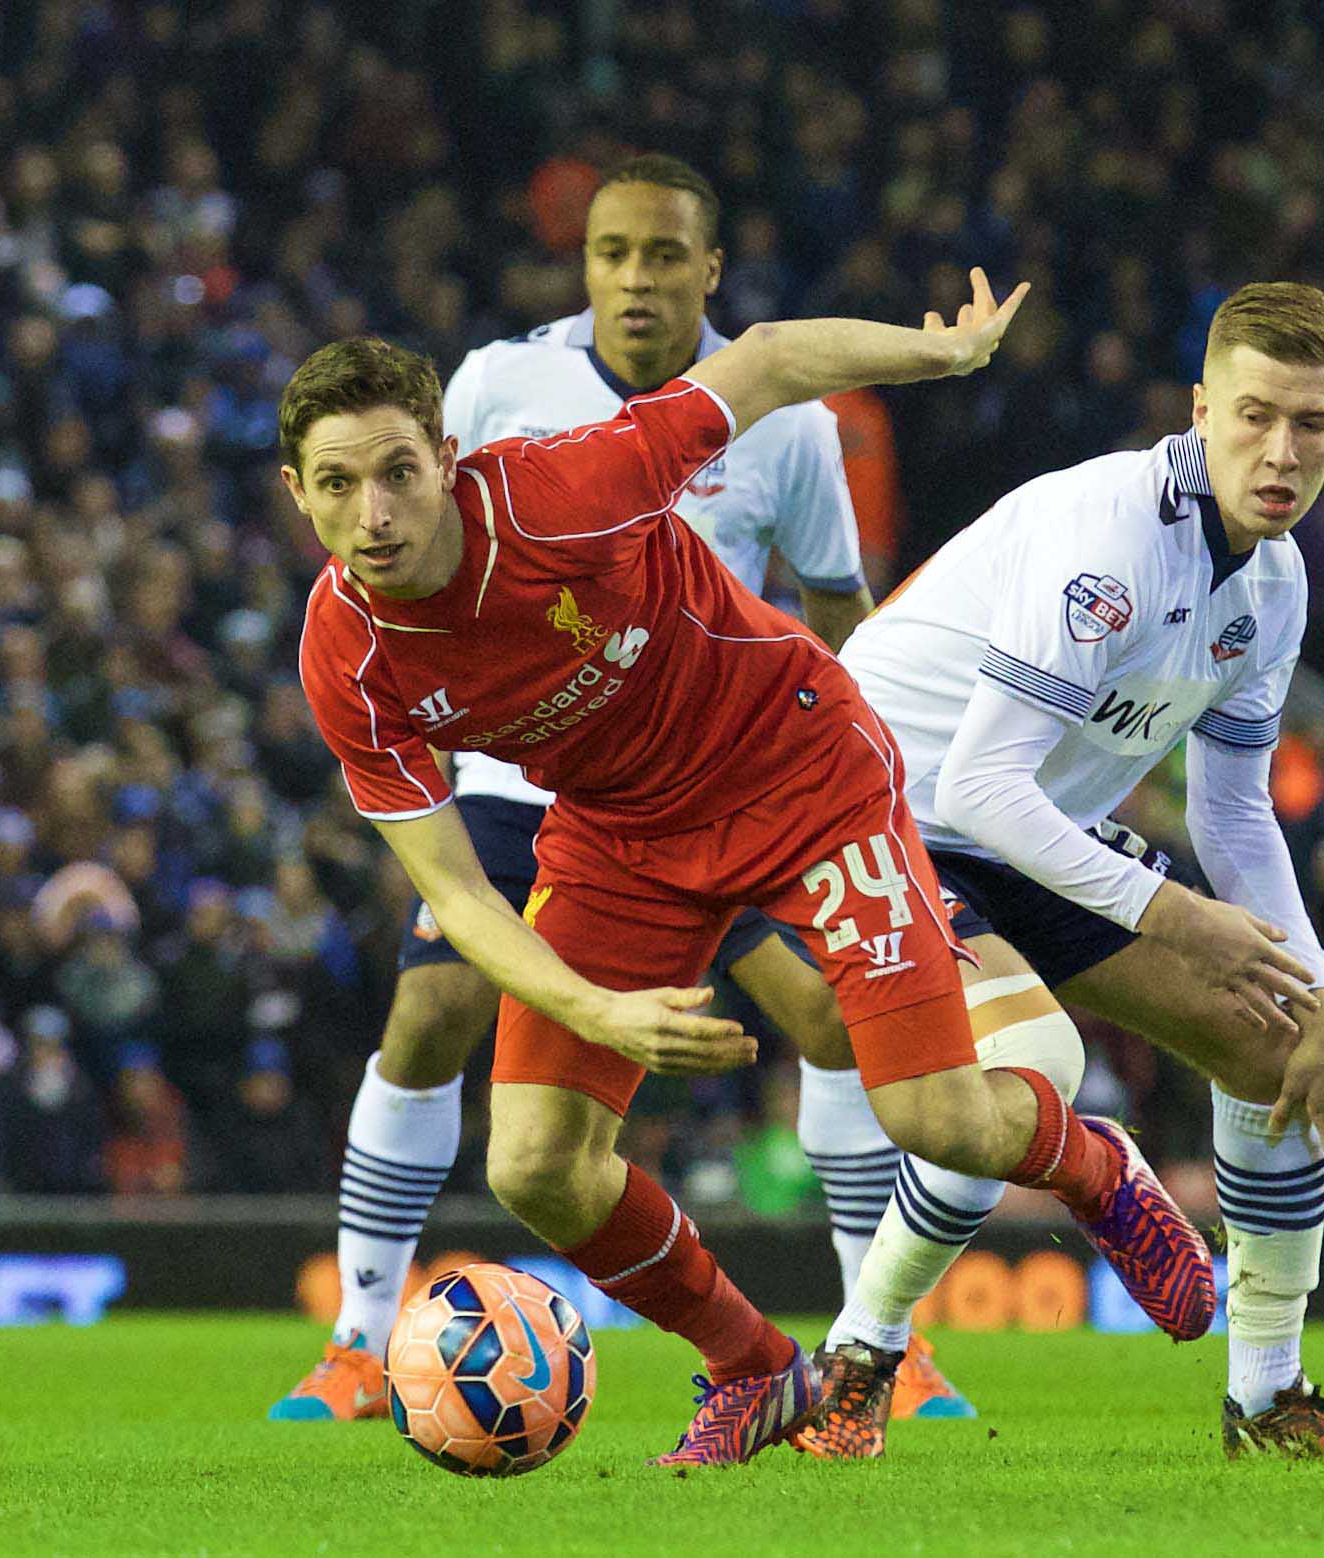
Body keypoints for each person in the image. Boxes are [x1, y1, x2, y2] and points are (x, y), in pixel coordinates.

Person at [281, 269, 1214, 1468]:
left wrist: (939, 357)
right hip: (619, 833)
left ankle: (1089, 1161)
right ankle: (756, 1367)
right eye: (339, 485)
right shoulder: (344, 657)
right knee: (532, 1166)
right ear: (297, 495)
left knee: (933, 1114)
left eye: (398, 472)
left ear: (447, 459)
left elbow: (766, 359)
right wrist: (595, 1005)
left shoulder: (560, 490)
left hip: (800, 772)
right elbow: (457, 890)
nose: (375, 514)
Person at [270, 155, 966, 1423]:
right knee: (431, 1009)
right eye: (608, 253)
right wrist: (590, 1003)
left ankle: (877, 1333)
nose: (632, 279)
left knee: (826, 1024)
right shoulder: (494, 388)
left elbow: (831, 597)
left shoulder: (747, 436)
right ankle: (360, 1338)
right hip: (517, 772)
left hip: (717, 755)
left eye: (659, 255)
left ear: (707, 266)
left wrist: (854, 787)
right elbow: (458, 872)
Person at [813, 282, 1324, 1459]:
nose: (1280, 451)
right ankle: (859, 1355)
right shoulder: (1110, 540)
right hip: (875, 816)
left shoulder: (1272, 584)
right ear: (1199, 408)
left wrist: (1323, 989)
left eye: (1311, 424)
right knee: (1028, 1058)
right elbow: (978, 784)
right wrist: (1175, 914)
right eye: (1253, 416)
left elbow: (1234, 809)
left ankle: (1266, 1401)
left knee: (1282, 1039)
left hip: (1030, 831)